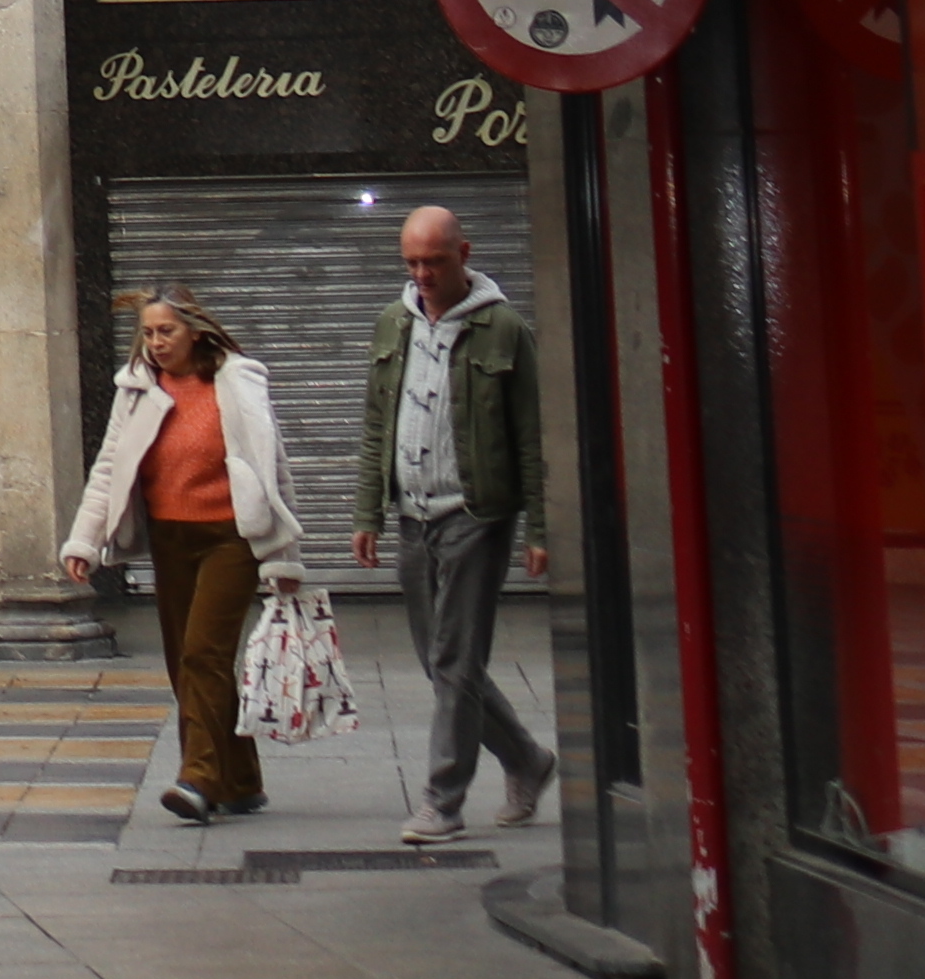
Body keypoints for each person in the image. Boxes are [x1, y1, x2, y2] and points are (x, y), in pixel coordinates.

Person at [353, 201, 558, 848]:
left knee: (456, 659)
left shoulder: (504, 329)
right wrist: (367, 513)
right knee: (440, 661)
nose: (422, 274)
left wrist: (539, 530)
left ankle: (443, 801)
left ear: (463, 255)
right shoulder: (394, 324)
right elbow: (374, 425)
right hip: (413, 515)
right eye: (412, 263)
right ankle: (526, 757)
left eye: (434, 262)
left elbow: (532, 437)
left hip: (476, 515)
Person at [63, 283, 308, 820]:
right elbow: (109, 469)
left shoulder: (236, 381)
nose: (155, 342)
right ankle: (240, 780)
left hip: (230, 539)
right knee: (186, 665)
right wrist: (85, 540)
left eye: (166, 331)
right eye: (148, 332)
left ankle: (196, 777)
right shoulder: (136, 390)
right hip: (171, 540)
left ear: (194, 330)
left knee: (204, 654)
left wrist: (285, 557)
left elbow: (274, 468)